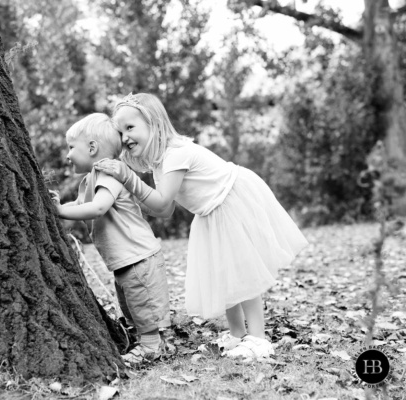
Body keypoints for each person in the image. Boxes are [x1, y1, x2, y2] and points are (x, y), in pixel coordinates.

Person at [94, 93, 308, 360]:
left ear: (154, 123)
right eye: (120, 131)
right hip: (211, 212)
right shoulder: (160, 162)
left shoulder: (175, 154)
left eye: (130, 127)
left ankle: (259, 339)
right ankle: (238, 335)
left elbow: (161, 203)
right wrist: (131, 190)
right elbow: (166, 209)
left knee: (242, 270)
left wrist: (128, 178)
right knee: (225, 272)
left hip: (229, 200)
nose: (125, 137)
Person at [51, 113, 171, 365]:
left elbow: (97, 208)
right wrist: (60, 207)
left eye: (71, 147)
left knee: (142, 302)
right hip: (125, 257)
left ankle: (152, 346)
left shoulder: (109, 175)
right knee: (132, 304)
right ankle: (148, 340)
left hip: (138, 255)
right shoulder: (90, 178)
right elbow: (82, 204)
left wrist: (60, 211)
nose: (68, 155)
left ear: (92, 148)